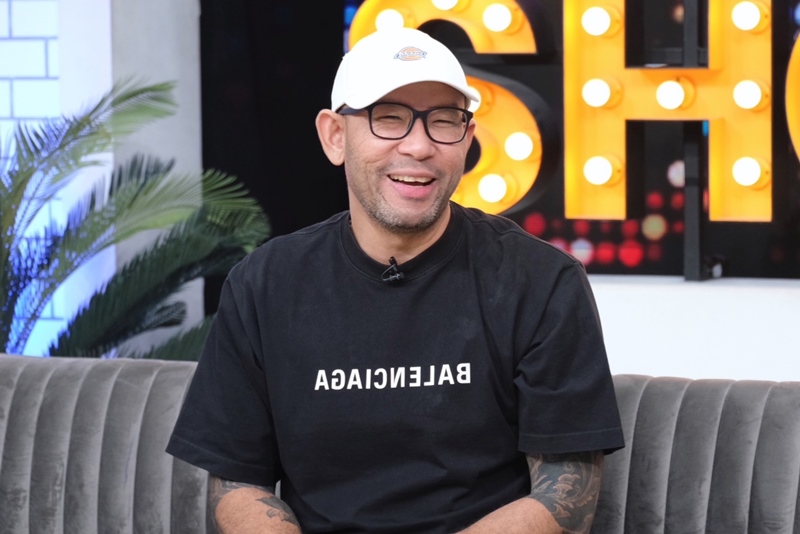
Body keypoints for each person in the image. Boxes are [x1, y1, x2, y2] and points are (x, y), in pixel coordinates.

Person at [167, 26, 625, 534]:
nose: (419, 146)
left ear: (468, 139)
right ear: (335, 136)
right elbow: (236, 480)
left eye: (444, 121)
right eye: (388, 118)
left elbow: (568, 494)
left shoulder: (541, 281)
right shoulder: (264, 285)